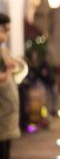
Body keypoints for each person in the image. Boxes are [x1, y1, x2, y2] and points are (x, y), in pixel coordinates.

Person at [0, 13, 21, 159]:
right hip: (2, 113)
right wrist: (8, 71)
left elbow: (19, 69)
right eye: (4, 29)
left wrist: (14, 66)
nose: (7, 33)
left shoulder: (3, 50)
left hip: (7, 113)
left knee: (6, 152)